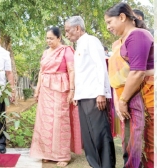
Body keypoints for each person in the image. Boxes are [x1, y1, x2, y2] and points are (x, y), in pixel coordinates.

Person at [105, 2, 154, 167]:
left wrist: (123, 100)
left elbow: (137, 72)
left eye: (109, 22)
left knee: (142, 142)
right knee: (129, 141)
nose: (108, 27)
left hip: (141, 97)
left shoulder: (137, 35)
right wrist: (120, 100)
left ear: (122, 17)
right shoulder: (121, 40)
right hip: (126, 96)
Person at [65, 16, 116, 168]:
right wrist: (76, 94)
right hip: (83, 96)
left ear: (78, 28)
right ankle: (95, 165)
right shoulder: (79, 46)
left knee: (100, 134)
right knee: (88, 137)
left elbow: (100, 66)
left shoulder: (91, 41)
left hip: (94, 96)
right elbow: (83, 73)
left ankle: (106, 165)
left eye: (68, 31)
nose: (67, 35)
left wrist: (101, 93)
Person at [29, 27, 82, 167]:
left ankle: (63, 156)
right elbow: (41, 72)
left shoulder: (66, 50)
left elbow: (71, 70)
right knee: (45, 122)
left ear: (59, 38)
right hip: (46, 90)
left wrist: (72, 90)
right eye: (47, 38)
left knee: (60, 121)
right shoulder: (46, 52)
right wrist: (37, 90)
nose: (48, 41)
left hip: (61, 89)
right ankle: (48, 154)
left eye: (51, 38)